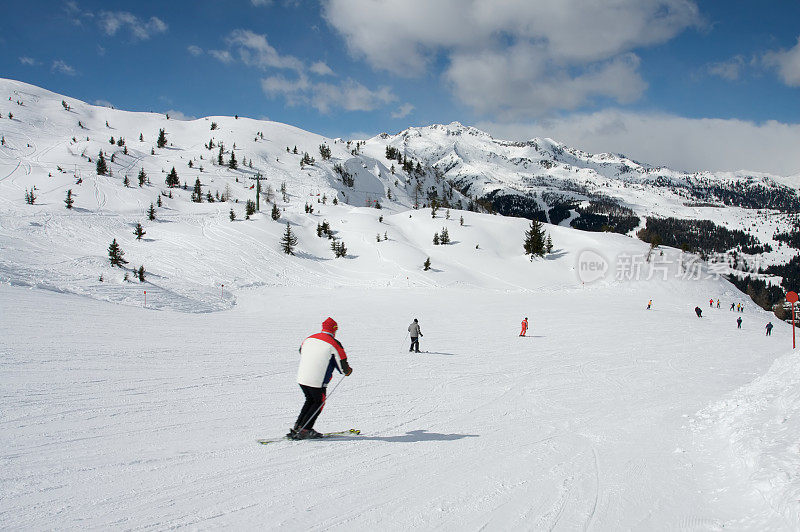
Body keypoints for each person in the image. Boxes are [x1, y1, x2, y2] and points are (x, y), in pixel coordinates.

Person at [290, 317, 352, 440]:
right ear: (334, 330)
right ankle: (305, 430)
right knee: (318, 403)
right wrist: (347, 371)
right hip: (317, 380)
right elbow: (342, 362)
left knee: (310, 400)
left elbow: (301, 351)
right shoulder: (334, 343)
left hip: (302, 377)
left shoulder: (309, 338)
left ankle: (299, 426)